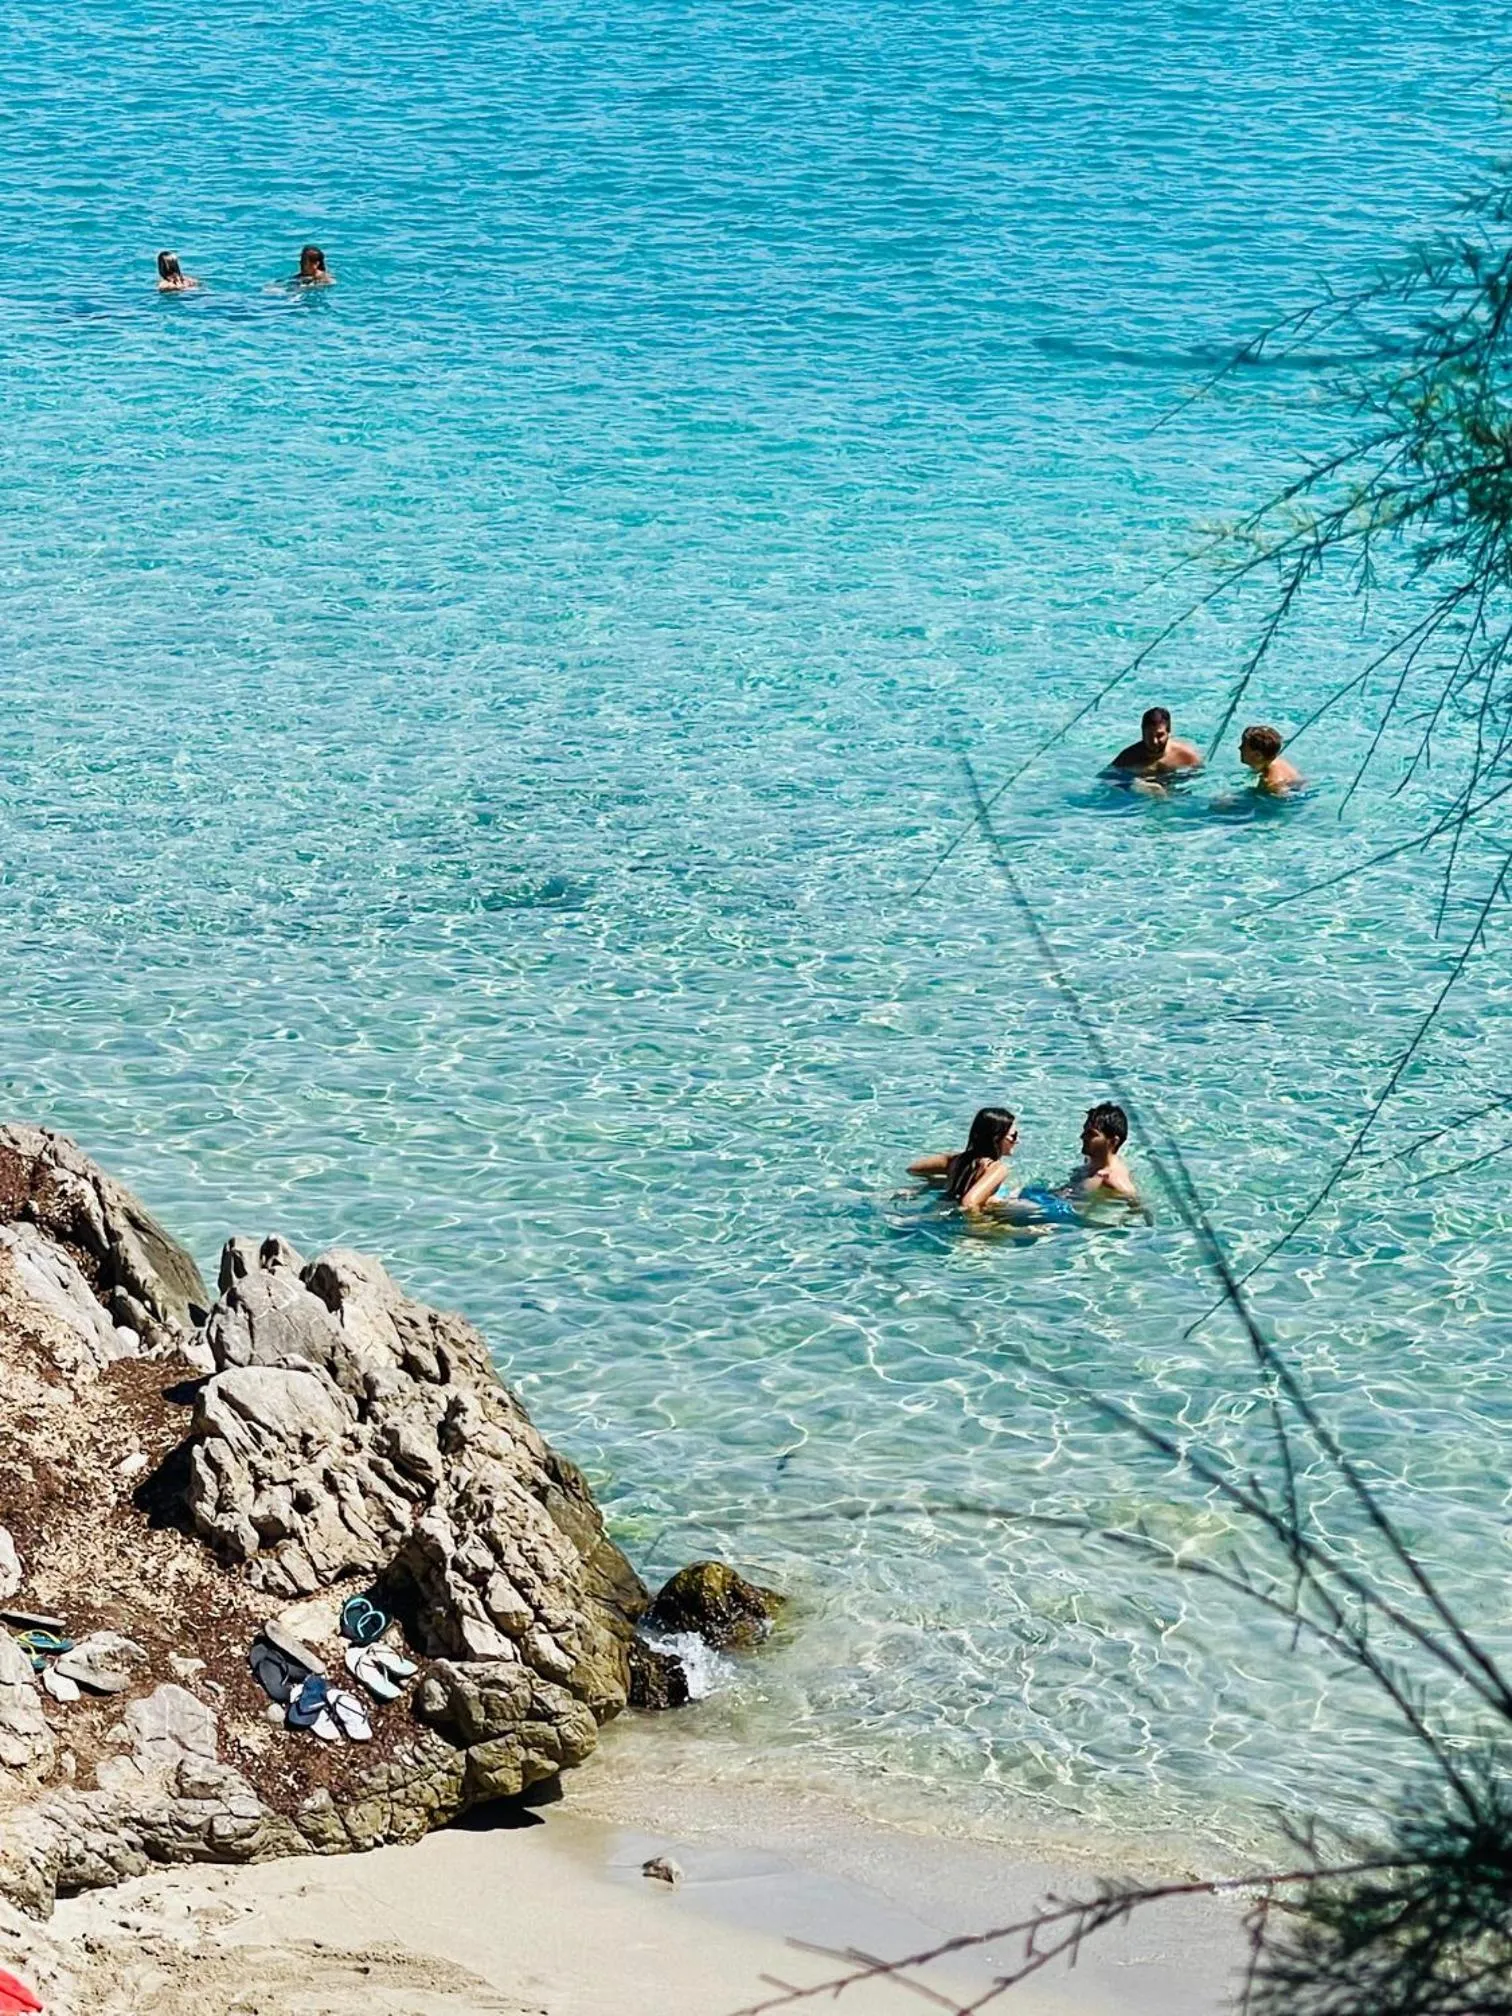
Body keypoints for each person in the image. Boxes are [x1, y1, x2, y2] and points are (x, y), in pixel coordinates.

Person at [909, 1107, 1019, 1212]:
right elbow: (969, 1203)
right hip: (969, 1218)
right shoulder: (996, 1168)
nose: (1017, 1141)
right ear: (996, 1138)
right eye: (1014, 1135)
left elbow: (913, 1169)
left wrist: (940, 1182)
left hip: (941, 1208)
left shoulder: (957, 1160)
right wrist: (982, 1228)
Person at [1108, 707, 1203, 779]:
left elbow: (1200, 778)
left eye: (1159, 735)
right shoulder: (1128, 757)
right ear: (1142, 732)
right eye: (1149, 735)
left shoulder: (1185, 755)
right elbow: (1107, 779)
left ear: (1169, 731)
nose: (1154, 741)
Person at [1240, 723, 1303, 794]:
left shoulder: (1271, 784)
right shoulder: (1274, 760)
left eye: (1243, 746)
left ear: (1258, 755)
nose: (1239, 748)